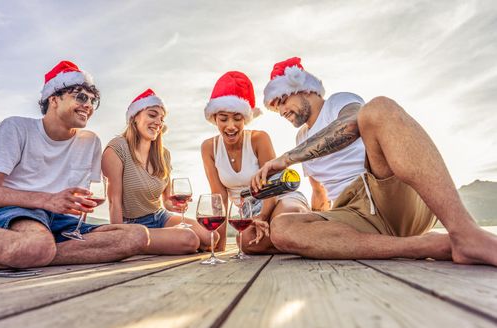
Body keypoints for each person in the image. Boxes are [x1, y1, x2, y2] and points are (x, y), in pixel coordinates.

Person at [250, 56, 466, 263]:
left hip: (388, 194)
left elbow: (353, 123)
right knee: (282, 229)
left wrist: (287, 158)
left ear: (305, 88)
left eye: (284, 100)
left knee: (378, 109)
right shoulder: (301, 138)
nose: (281, 111)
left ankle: (464, 230)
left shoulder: (338, 102)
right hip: (353, 214)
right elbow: (319, 193)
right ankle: (420, 246)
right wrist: (314, 229)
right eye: (276, 106)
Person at [0, 60, 150, 270]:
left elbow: (82, 198)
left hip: (55, 221)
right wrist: (48, 200)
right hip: (8, 212)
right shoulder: (16, 127)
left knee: (136, 236)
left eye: (93, 101)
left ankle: (33, 253)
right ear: (54, 99)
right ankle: (34, 250)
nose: (88, 106)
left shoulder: (90, 141)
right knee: (37, 243)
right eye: (81, 97)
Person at [201, 71, 310, 253]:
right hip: (249, 212)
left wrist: (264, 215)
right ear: (214, 119)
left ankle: (299, 232)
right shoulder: (208, 148)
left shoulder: (259, 139)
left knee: (288, 218)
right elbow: (219, 198)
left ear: (246, 118)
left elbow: (271, 186)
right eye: (223, 119)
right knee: (245, 242)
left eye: (237, 118)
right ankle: (295, 241)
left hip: (278, 197)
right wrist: (218, 246)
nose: (230, 126)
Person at [102, 88, 213, 254]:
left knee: (210, 237)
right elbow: (114, 202)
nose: (158, 122)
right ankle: (143, 244)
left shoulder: (164, 154)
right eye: (152, 115)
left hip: (159, 216)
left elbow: (166, 200)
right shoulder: (117, 148)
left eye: (161, 118)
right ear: (134, 117)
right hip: (131, 224)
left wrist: (173, 204)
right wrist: (120, 238)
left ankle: (164, 242)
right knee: (189, 240)